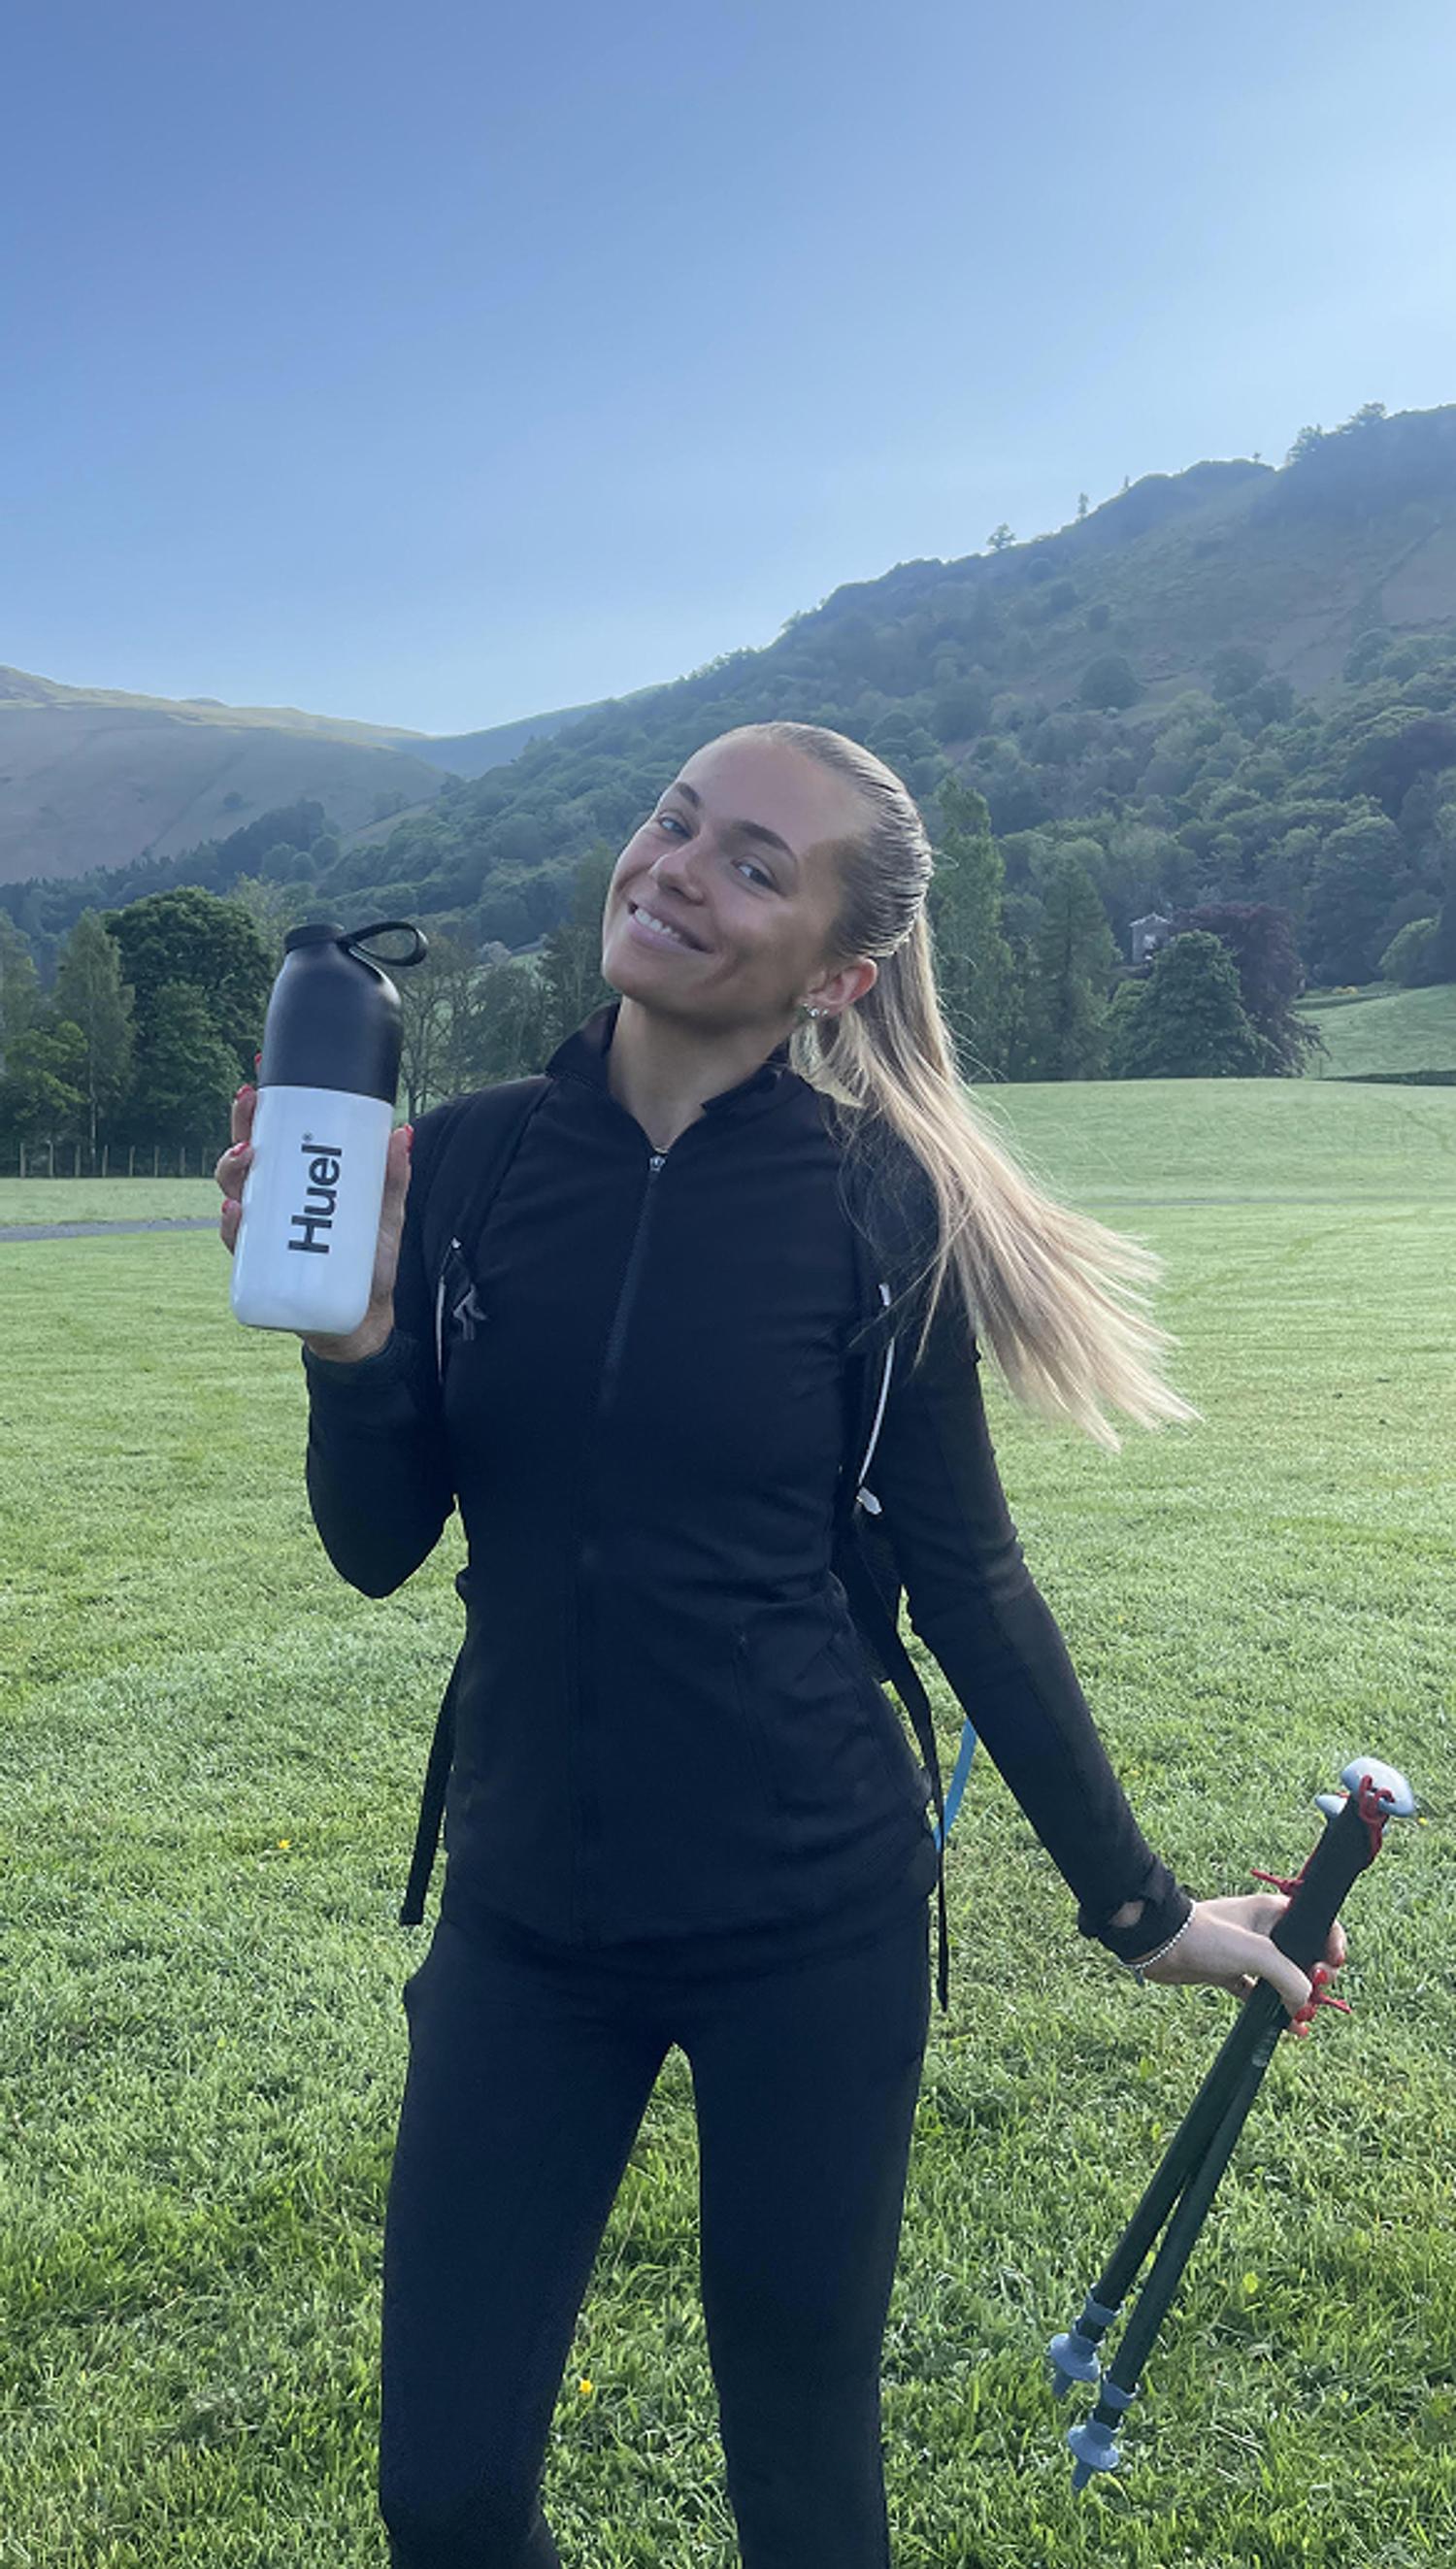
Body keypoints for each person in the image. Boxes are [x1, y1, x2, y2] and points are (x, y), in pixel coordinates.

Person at [216, 721, 1345, 2568]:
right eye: (675, 823)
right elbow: (376, 1546)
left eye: (752, 861)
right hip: (527, 1920)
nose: (674, 869)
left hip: (810, 1925)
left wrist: (1146, 1909)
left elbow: (973, 1579)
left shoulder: (873, 1208)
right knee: (443, 2494)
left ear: (841, 968)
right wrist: (349, 1350)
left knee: (807, 2499)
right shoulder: (475, 1162)